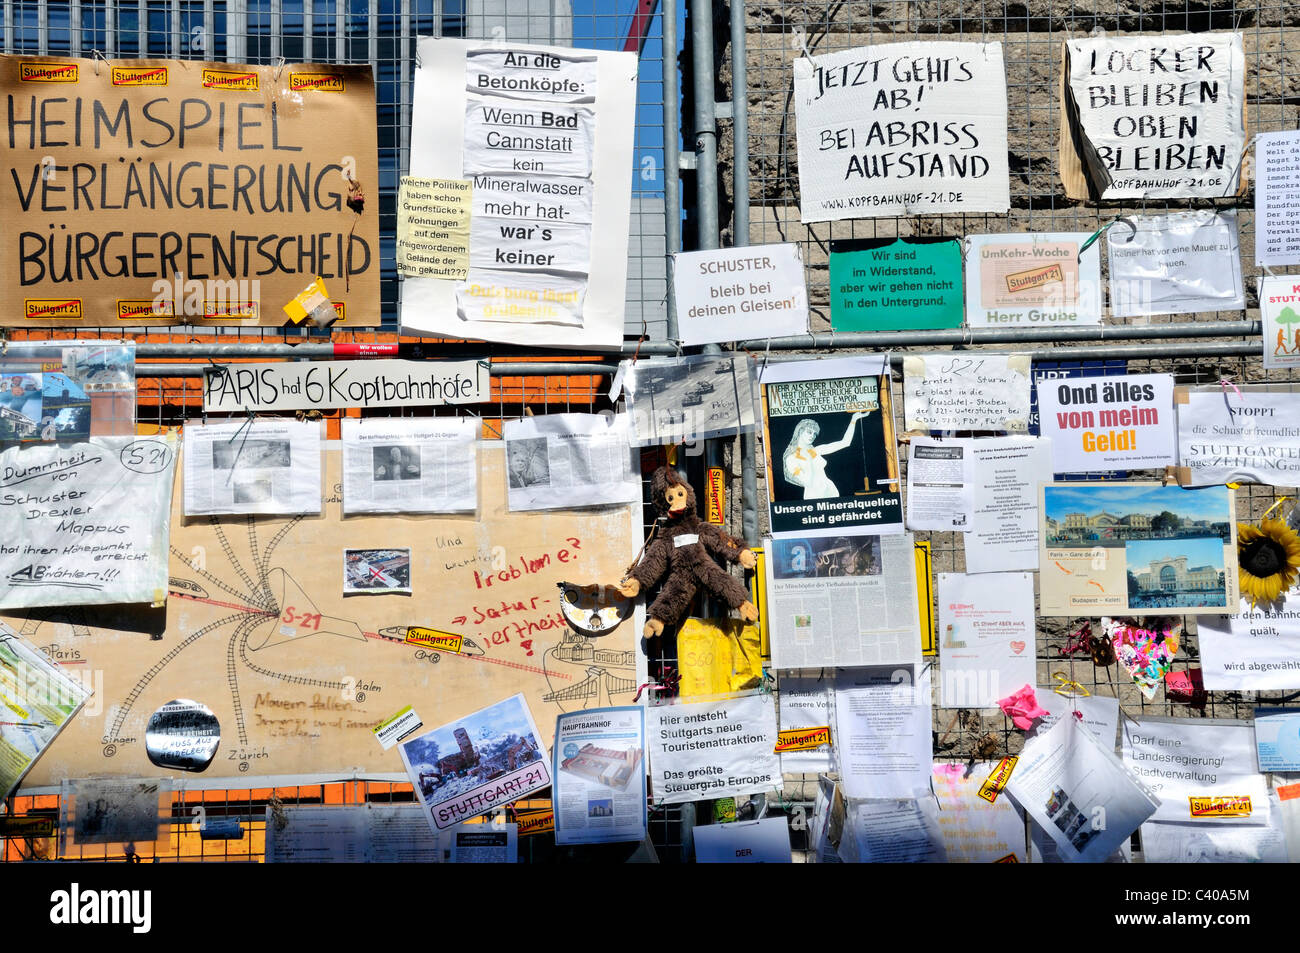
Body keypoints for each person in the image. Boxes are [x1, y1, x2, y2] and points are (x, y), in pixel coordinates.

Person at [781, 412, 870, 499]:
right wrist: (808, 459)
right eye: (809, 432)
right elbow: (807, 481)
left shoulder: (814, 451)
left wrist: (854, 419)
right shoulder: (792, 458)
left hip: (831, 491)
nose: (812, 436)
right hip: (814, 496)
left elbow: (845, 442)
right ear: (800, 431)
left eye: (814, 434)